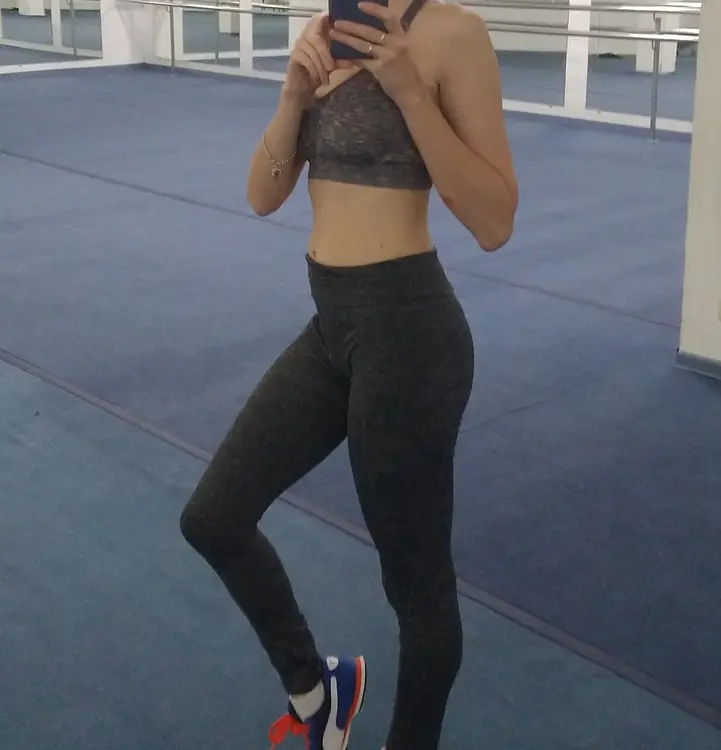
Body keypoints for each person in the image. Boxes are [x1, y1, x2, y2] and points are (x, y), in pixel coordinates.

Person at [179, 1, 518, 749]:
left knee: (415, 586)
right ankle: (316, 692)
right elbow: (263, 196)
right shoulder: (327, 29)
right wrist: (292, 95)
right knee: (213, 519)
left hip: (409, 333)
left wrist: (410, 92)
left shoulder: (452, 33)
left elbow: (495, 221)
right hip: (332, 326)